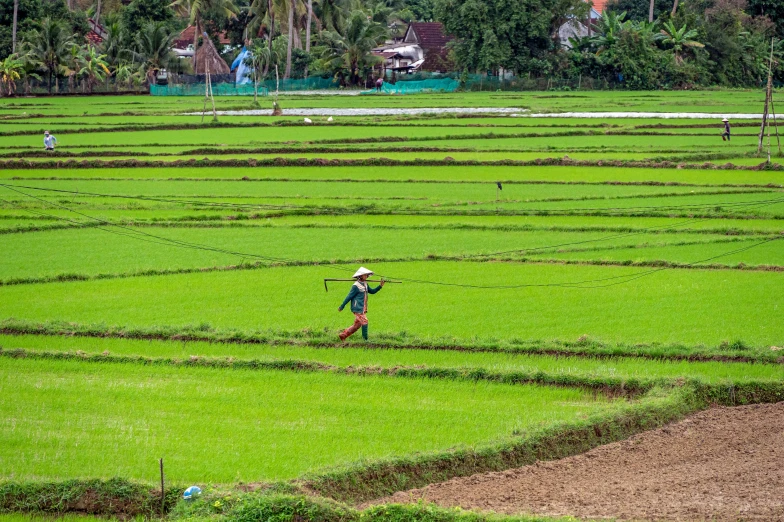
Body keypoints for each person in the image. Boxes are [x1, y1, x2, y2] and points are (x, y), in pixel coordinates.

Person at [338, 266, 385, 341]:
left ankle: (343, 335)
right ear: (360, 276)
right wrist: (342, 306)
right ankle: (365, 340)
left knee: (357, 325)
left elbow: (372, 291)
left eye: (367, 275)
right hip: (357, 308)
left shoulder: (365, 284)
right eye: (364, 275)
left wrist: (380, 286)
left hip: (362, 307)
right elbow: (349, 296)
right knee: (364, 321)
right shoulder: (356, 286)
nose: (366, 276)